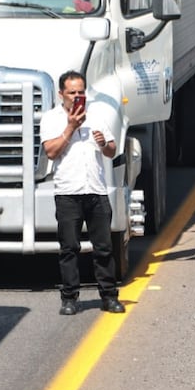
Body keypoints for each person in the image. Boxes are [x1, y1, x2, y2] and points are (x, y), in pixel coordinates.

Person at [41, 71, 124, 315]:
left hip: (96, 191)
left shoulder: (96, 116)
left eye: (81, 92)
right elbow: (51, 152)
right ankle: (69, 298)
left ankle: (109, 296)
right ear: (61, 94)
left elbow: (111, 151)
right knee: (69, 248)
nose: (77, 97)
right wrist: (70, 128)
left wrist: (104, 143)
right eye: (72, 93)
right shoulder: (51, 119)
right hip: (68, 192)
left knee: (104, 248)